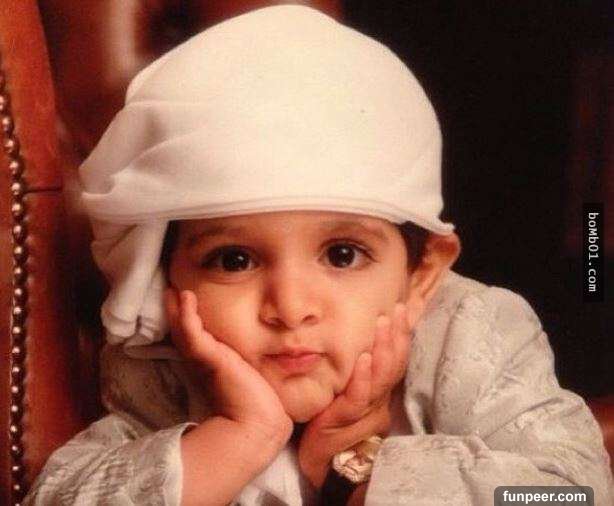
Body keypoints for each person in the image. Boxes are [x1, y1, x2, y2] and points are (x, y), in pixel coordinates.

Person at [25, 5, 612, 505]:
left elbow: (573, 493)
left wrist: (357, 467)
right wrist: (239, 436)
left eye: (342, 254)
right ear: (167, 277)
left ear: (422, 272)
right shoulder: (161, 365)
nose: (291, 307)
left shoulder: (469, 334)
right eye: (234, 260)